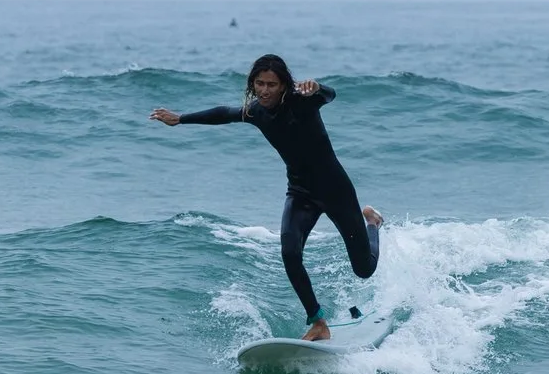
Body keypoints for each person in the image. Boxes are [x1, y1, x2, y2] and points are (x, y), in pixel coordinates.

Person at [153, 55, 384, 342]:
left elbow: (330, 94)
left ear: (284, 85)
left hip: (336, 191)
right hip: (300, 193)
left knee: (364, 269)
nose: (264, 90)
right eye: (259, 84)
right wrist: (181, 119)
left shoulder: (303, 101)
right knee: (289, 252)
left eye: (271, 85)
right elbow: (224, 113)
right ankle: (318, 322)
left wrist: (317, 88)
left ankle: (372, 222)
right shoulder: (256, 112)